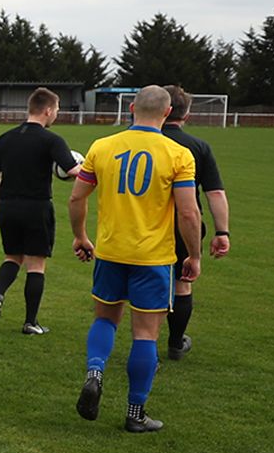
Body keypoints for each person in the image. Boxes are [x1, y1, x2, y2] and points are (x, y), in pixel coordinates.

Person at [70, 85, 202, 433]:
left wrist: (81, 236)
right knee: (145, 334)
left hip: (111, 252)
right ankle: (135, 412)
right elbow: (188, 213)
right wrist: (194, 255)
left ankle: (95, 372)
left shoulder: (101, 146)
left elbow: (76, 198)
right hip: (153, 258)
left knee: (106, 320)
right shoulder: (178, 155)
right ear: (167, 112)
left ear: (130, 107)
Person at [0, 87, 82, 336]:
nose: (56, 115)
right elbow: (72, 171)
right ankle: (30, 322)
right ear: (48, 110)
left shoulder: (4, 138)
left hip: (8, 207)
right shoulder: (51, 140)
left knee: (12, 256)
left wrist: (0, 200)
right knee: (36, 264)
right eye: (56, 110)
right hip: (37, 207)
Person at [160, 86, 231, 360]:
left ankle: (143, 343)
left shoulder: (144, 143)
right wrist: (222, 231)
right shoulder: (199, 147)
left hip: (146, 224)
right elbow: (215, 193)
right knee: (182, 282)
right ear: (186, 114)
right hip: (184, 225)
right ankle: (176, 343)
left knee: (147, 282)